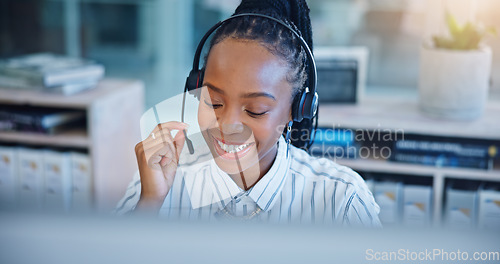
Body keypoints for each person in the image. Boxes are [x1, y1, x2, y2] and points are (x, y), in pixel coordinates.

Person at [116, 0, 381, 226]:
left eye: (255, 111)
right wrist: (150, 203)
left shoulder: (341, 200)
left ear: (298, 109)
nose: (227, 124)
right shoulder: (160, 179)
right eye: (214, 103)